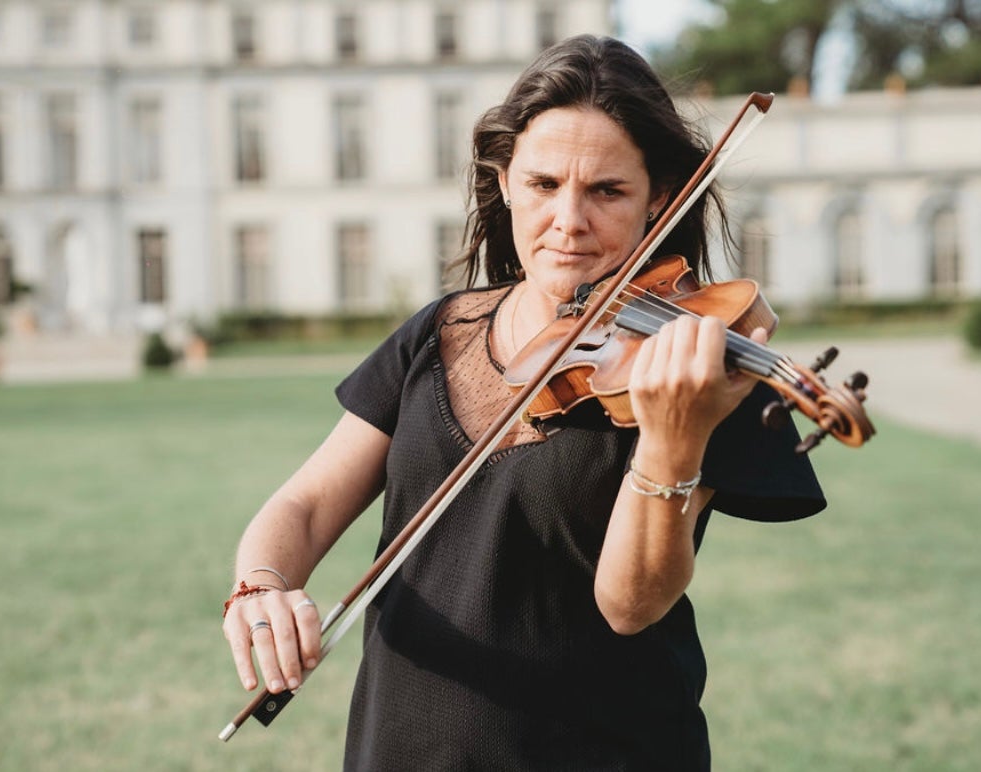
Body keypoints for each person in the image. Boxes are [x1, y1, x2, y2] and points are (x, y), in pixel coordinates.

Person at [222, 34, 825, 770]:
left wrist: (672, 437)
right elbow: (306, 506)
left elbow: (629, 604)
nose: (568, 220)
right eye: (543, 185)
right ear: (504, 180)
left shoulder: (698, 367)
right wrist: (260, 587)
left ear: (659, 199)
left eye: (606, 191)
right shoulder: (439, 333)